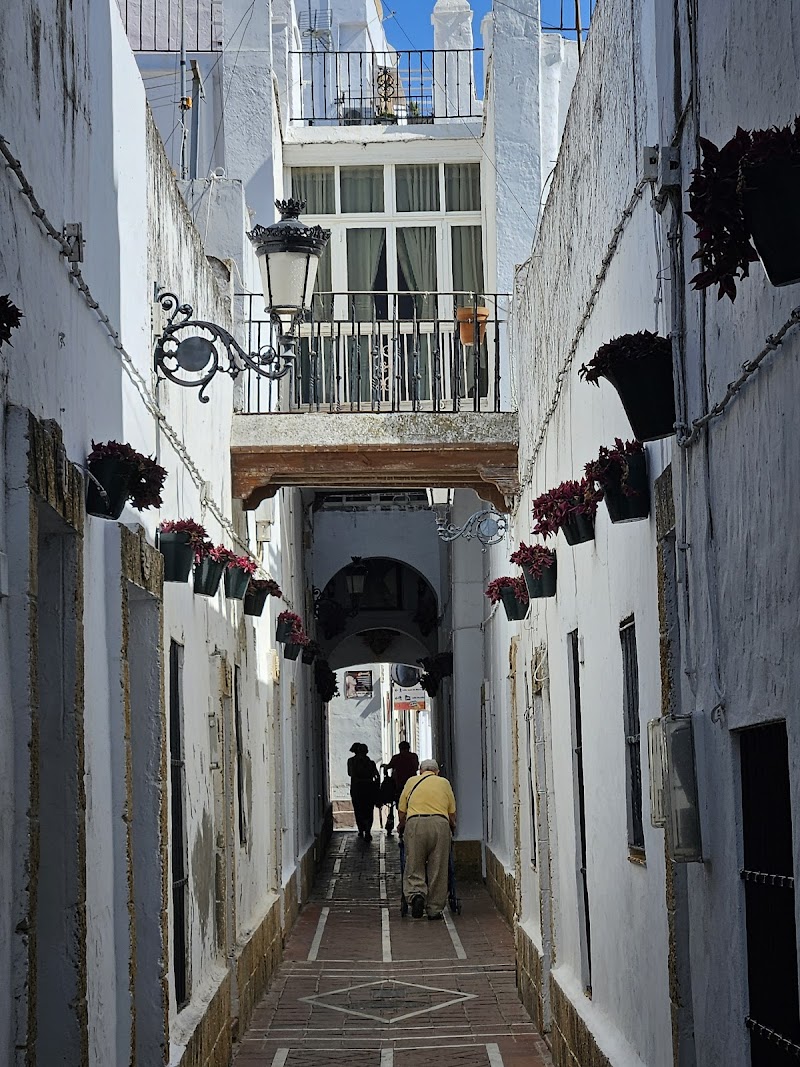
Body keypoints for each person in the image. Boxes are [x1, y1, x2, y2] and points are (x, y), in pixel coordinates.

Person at [397, 759, 456, 920]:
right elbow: (452, 814)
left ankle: (416, 895)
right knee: (438, 866)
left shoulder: (411, 781)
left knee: (414, 862)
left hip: (415, 823)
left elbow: (402, 810)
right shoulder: (444, 783)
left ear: (420, 771)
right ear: (437, 772)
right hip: (439, 824)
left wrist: (401, 826)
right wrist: (452, 829)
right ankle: (434, 908)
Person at [382, 740, 419, 838]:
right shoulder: (413, 757)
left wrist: (385, 769)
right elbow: (416, 767)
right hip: (412, 786)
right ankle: (410, 826)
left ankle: (402, 827)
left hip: (399, 787)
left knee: (400, 807)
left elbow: (388, 767)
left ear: (400, 748)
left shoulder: (396, 758)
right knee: (412, 807)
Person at [347, 742, 379, 842]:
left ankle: (361, 829)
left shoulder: (351, 761)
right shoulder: (371, 763)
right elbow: (376, 776)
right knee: (369, 810)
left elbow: (350, 773)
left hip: (357, 788)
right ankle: (368, 830)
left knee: (358, 809)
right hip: (369, 788)